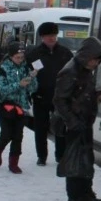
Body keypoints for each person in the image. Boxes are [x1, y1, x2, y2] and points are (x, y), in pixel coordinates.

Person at [53, 37, 101, 201]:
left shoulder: (84, 70)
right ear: (86, 56)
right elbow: (60, 100)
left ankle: (86, 194)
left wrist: (98, 95)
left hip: (83, 121)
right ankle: (75, 197)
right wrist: (72, 121)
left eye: (98, 60)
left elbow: (84, 93)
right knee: (75, 162)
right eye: (95, 59)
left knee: (86, 160)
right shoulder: (70, 71)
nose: (96, 63)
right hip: (73, 123)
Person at [24, 22, 73, 166]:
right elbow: (29, 75)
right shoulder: (34, 54)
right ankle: (42, 156)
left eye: (54, 35)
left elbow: (72, 72)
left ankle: (61, 155)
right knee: (40, 127)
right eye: (48, 36)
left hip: (60, 97)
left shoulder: (65, 53)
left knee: (60, 127)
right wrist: (31, 91)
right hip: (41, 96)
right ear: (42, 37)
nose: (52, 38)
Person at [0, 42, 38, 174]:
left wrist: (32, 78)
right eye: (17, 57)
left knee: (18, 136)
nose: (20, 60)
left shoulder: (25, 68)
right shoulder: (3, 69)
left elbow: (33, 88)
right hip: (6, 107)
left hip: (21, 107)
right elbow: (2, 89)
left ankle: (13, 163)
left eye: (21, 57)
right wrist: (19, 84)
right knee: (6, 134)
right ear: (11, 56)